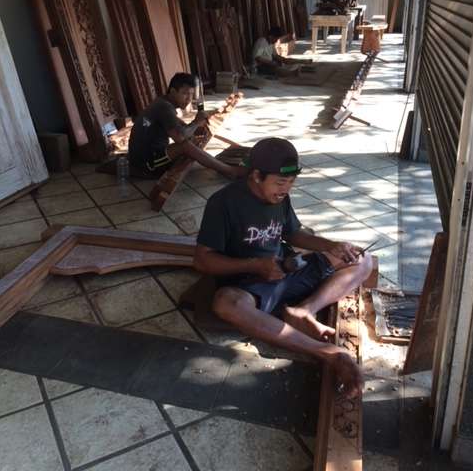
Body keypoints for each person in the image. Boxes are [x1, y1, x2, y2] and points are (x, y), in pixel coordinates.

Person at [194, 137, 373, 398]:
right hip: (248, 284)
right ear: (256, 176)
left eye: (291, 182)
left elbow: (294, 234)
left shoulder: (280, 198)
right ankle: (329, 354)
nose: (286, 189)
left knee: (362, 259)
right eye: (280, 182)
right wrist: (255, 265)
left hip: (287, 269)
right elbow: (202, 259)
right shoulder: (223, 203)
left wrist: (330, 245)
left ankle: (302, 311)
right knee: (224, 303)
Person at [128, 72, 241, 180]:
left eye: (191, 94)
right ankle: (230, 170)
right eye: (185, 93)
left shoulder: (161, 102)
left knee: (190, 139)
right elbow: (180, 137)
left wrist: (196, 125)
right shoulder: (165, 107)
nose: (189, 99)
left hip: (143, 156)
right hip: (146, 164)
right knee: (185, 145)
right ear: (172, 91)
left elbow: (178, 125)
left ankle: (223, 166)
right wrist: (196, 122)